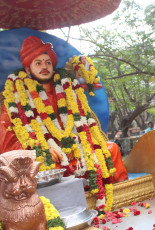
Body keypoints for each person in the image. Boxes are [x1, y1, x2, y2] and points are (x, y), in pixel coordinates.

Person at [0, 36, 128, 211]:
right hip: (47, 156)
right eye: (38, 63)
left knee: (111, 149)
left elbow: (82, 122)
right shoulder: (16, 97)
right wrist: (40, 149)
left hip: (76, 148)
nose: (44, 66)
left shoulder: (67, 88)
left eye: (47, 62)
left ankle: (122, 197)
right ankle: (59, 207)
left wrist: (80, 143)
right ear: (27, 67)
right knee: (42, 168)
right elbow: (7, 143)